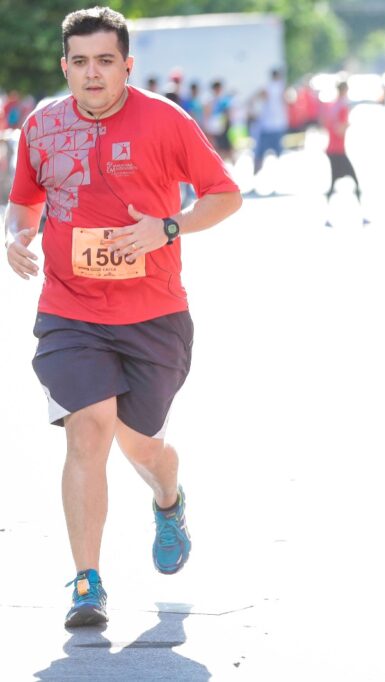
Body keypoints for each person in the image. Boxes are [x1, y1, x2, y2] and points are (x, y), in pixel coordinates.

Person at [3, 6, 242, 628]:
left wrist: (168, 227)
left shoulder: (166, 121)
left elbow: (225, 195)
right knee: (89, 428)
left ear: (127, 65)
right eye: (79, 62)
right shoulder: (42, 125)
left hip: (154, 314)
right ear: (65, 66)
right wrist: (16, 237)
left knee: (144, 445)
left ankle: (169, 497)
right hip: (69, 309)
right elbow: (24, 203)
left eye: (105, 61)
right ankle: (87, 581)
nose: (92, 74)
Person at [322, 77, 362, 215]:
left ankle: (327, 215)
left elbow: (326, 123)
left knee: (334, 183)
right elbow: (340, 129)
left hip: (332, 149)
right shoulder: (343, 107)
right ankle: (361, 214)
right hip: (337, 150)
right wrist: (347, 125)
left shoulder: (333, 105)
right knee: (354, 182)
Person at [252, 68, 288, 176]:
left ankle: (256, 177)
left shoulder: (267, 87)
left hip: (267, 125)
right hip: (278, 125)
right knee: (279, 153)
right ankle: (280, 177)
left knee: (260, 155)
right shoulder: (281, 87)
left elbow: (254, 98)